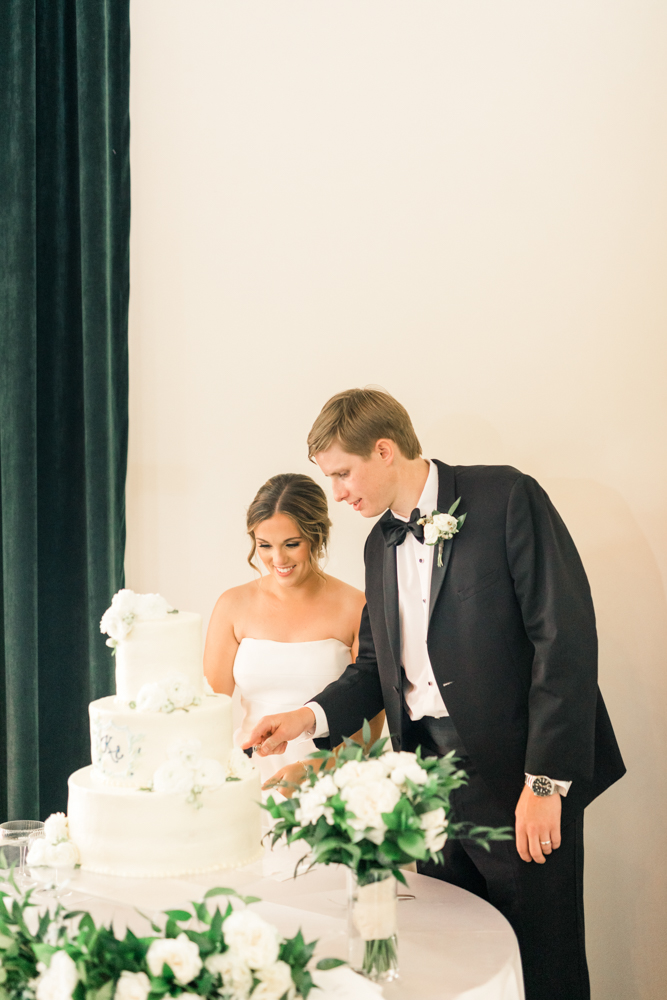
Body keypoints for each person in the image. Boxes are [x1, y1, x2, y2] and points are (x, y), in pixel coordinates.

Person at [243, 388, 626, 1000]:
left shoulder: (505, 497)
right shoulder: (378, 544)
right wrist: (305, 717)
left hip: (519, 778)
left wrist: (546, 783)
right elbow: (374, 667)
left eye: (342, 473)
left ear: (385, 450)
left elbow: (565, 641)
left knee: (544, 960)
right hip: (430, 786)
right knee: (463, 960)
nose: (338, 494)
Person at [204, 472, 384, 791]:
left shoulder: (357, 606)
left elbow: (368, 727)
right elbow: (209, 711)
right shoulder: (232, 605)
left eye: (291, 544)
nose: (278, 559)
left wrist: (314, 769)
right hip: (247, 783)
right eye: (265, 545)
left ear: (316, 537)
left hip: (331, 784)